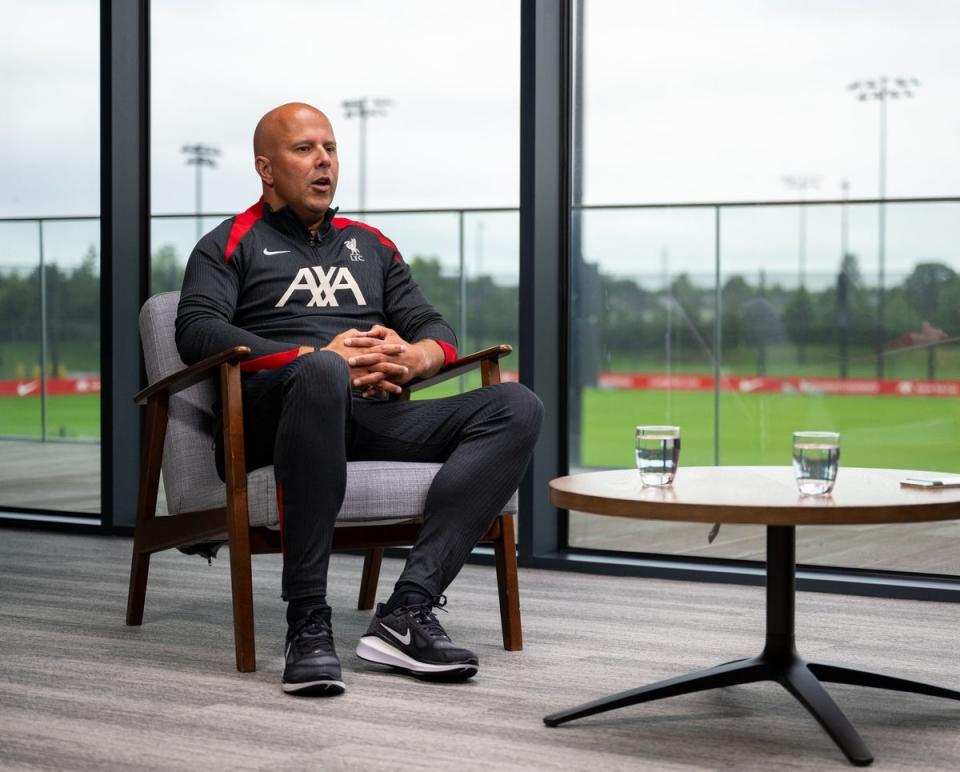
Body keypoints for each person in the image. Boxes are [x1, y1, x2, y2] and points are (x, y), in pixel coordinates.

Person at [174, 102, 543, 697]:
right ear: (266, 169)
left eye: (331, 148)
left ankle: (407, 611)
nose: (324, 161)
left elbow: (432, 325)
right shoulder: (230, 243)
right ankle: (308, 623)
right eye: (304, 150)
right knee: (321, 371)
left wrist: (418, 356)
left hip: (373, 416)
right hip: (274, 420)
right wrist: (315, 359)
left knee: (516, 404)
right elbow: (195, 329)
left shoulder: (371, 245)